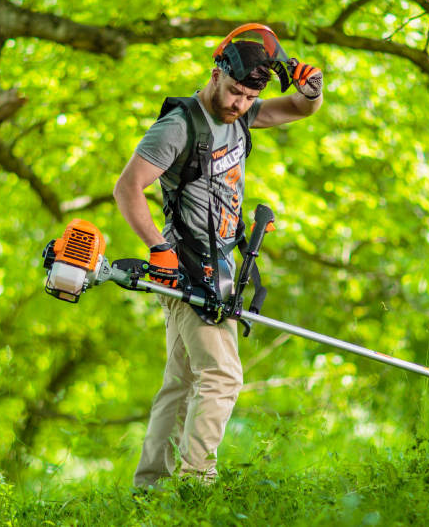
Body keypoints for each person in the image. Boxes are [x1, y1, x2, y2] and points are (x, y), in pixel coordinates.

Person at [112, 25, 323, 487]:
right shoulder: (178, 126)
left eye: (248, 98)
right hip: (188, 269)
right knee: (223, 377)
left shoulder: (240, 116)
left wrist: (313, 89)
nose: (239, 104)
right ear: (215, 75)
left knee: (182, 383)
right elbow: (127, 188)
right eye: (233, 93)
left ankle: (151, 488)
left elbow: (299, 108)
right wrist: (160, 251)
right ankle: (195, 484)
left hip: (223, 267)